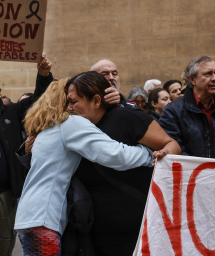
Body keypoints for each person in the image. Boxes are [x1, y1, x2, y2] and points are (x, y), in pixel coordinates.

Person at [14, 77, 156, 256]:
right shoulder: (69, 124)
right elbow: (114, 155)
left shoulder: (48, 127)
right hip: (44, 218)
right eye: (72, 98)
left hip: (31, 215)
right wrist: (149, 153)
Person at [66, 72, 180, 256]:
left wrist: (163, 154)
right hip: (94, 236)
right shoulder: (73, 131)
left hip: (138, 233)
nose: (69, 108)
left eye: (73, 102)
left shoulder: (127, 118)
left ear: (96, 101)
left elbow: (171, 144)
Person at [0, 54, 53, 255]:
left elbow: (39, 101)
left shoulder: (12, 113)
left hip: (4, 198)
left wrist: (44, 74)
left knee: (2, 249)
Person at [160, 55, 215, 158]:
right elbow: (174, 147)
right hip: (191, 173)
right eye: (208, 74)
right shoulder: (173, 111)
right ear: (192, 79)